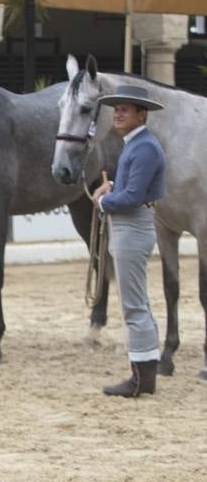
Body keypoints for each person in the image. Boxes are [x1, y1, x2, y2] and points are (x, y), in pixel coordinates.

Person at [91, 84, 166, 398]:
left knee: (134, 305)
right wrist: (112, 190)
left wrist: (103, 201)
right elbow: (129, 189)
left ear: (141, 114)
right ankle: (143, 371)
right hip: (129, 225)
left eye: (125, 109)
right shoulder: (136, 144)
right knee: (137, 303)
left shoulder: (145, 147)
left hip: (132, 226)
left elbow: (133, 196)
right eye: (116, 108)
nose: (118, 113)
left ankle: (141, 377)